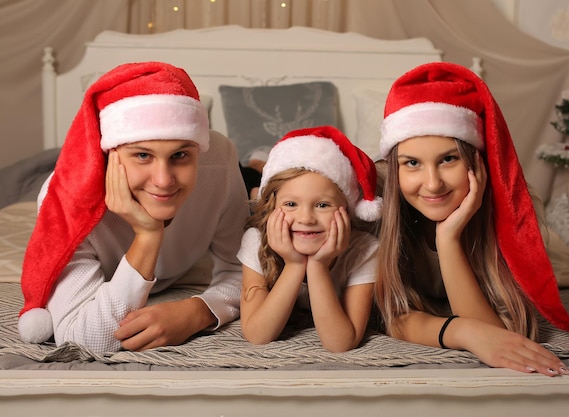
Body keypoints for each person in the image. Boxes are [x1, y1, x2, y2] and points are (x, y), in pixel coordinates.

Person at [374, 62, 569, 376]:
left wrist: (448, 239)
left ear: (476, 160)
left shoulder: (514, 213)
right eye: (412, 163)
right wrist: (463, 332)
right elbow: (391, 315)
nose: (433, 183)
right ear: (394, 168)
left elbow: (504, 330)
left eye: (449, 159)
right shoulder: (377, 209)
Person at [18, 61, 250, 353]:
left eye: (180, 154)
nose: (164, 180)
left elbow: (242, 268)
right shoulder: (64, 198)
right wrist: (148, 235)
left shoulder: (218, 157)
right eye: (142, 155)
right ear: (109, 153)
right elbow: (83, 339)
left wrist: (199, 311)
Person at [237, 126, 382, 352]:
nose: (305, 218)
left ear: (347, 208)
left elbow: (340, 342)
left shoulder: (364, 250)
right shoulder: (256, 240)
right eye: (291, 204)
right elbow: (257, 334)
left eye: (322, 205)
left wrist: (318, 265)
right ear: (272, 206)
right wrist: (294, 265)